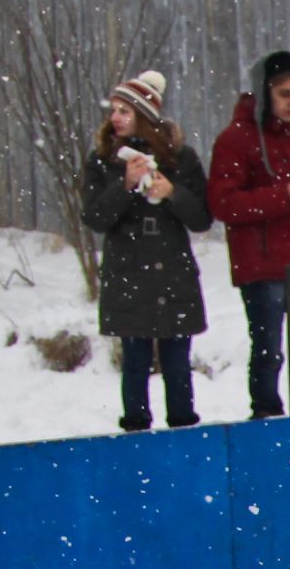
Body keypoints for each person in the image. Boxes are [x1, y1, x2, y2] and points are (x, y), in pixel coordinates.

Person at [207, 50, 290, 418]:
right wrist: (283, 196)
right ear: (265, 92)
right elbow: (223, 203)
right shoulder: (235, 140)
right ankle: (267, 422)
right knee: (269, 352)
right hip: (261, 263)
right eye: (284, 93)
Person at [80, 70, 212, 433]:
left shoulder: (181, 158)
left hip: (172, 274)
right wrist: (124, 185)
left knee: (177, 364)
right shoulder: (103, 160)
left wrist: (171, 194)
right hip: (129, 276)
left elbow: (202, 218)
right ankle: (136, 435)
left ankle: (184, 431)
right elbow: (94, 217)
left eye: (125, 111)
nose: (116, 118)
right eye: (115, 110)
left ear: (145, 117)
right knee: (135, 362)